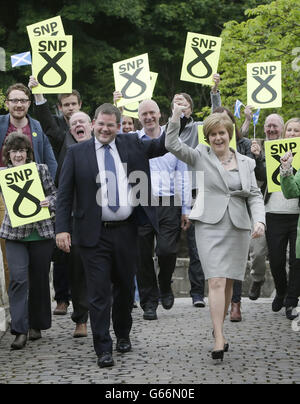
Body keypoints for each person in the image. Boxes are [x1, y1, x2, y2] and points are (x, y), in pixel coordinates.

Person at [55, 103, 167, 368]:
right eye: (101, 124)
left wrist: (177, 118)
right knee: (98, 292)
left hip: (127, 231)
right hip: (93, 235)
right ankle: (103, 347)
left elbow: (162, 144)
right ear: (93, 123)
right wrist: (62, 228)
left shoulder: (131, 144)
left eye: (111, 125)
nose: (105, 129)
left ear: (118, 127)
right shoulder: (76, 153)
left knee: (126, 289)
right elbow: (64, 195)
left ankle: (123, 334)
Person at [166, 100, 265, 361]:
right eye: (213, 134)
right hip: (209, 225)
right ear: (208, 137)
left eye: (222, 133)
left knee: (229, 281)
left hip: (238, 225)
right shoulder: (199, 154)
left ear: (229, 134)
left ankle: (217, 326)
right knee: (216, 280)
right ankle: (219, 337)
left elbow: (254, 195)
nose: (218, 137)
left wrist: (260, 221)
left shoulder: (246, 162)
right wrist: (175, 116)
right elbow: (172, 145)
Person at [28, 76, 82, 316]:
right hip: (64, 197)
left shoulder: (89, 127)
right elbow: (48, 124)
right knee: (62, 249)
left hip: (89, 199)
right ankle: (62, 298)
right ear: (60, 108)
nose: (70, 108)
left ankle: (86, 299)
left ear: (80, 105)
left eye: (74, 104)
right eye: (66, 105)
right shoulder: (61, 131)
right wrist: (38, 93)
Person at [134, 99, 191, 320]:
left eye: (151, 113)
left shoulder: (172, 139)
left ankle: (164, 284)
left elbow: (183, 175)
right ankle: (149, 301)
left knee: (167, 250)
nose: (148, 117)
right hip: (141, 202)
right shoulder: (132, 141)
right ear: (139, 117)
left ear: (160, 115)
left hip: (169, 202)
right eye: (143, 114)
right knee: (142, 255)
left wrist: (186, 208)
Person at [0, 132, 56, 350]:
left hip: (40, 234)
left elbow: (56, 195)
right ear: (8, 154)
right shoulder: (3, 174)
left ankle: (37, 325)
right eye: (14, 151)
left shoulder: (40, 170)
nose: (18, 155)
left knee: (40, 280)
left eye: (22, 151)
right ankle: (20, 330)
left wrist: (47, 202)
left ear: (28, 153)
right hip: (14, 236)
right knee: (18, 280)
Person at [170, 74, 222, 309]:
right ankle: (163, 290)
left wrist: (214, 91)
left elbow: (216, 117)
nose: (179, 105)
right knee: (166, 247)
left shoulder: (200, 129)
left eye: (183, 102)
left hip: (194, 192)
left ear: (190, 109)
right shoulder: (166, 131)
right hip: (168, 193)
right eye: (175, 102)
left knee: (196, 245)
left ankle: (197, 293)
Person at [0, 83, 57, 292]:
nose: (18, 104)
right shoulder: (0, 124)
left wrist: (51, 187)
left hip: (34, 195)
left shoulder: (37, 126)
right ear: (7, 103)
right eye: (14, 100)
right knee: (10, 256)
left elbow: (49, 159)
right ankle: (13, 306)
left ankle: (34, 308)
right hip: (3, 194)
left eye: (23, 100)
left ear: (29, 103)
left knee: (36, 257)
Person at [213, 105, 256, 322]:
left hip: (240, 211)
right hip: (215, 215)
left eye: (225, 122)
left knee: (236, 262)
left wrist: (258, 156)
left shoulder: (244, 146)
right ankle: (219, 312)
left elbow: (255, 178)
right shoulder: (207, 150)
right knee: (219, 269)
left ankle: (235, 302)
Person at [54, 111, 92, 338]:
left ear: (92, 126)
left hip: (104, 223)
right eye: (74, 123)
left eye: (82, 121)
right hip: (76, 223)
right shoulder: (69, 153)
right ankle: (81, 319)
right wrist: (62, 228)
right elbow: (63, 194)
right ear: (71, 131)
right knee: (77, 273)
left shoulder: (106, 150)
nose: (78, 125)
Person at [262, 117, 300, 320]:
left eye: (297, 131)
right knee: (276, 260)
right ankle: (282, 290)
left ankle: (292, 301)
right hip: (274, 212)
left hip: (297, 216)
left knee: (296, 261)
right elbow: (260, 174)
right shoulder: (272, 151)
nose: (292, 134)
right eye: (290, 130)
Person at [248, 113, 285, 301]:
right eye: (268, 126)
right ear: (263, 128)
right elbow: (261, 174)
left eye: (275, 126)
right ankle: (257, 278)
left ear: (282, 129)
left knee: (283, 257)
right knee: (257, 251)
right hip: (262, 209)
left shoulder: (290, 148)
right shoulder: (255, 147)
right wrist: (257, 156)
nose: (271, 129)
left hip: (284, 210)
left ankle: (283, 289)